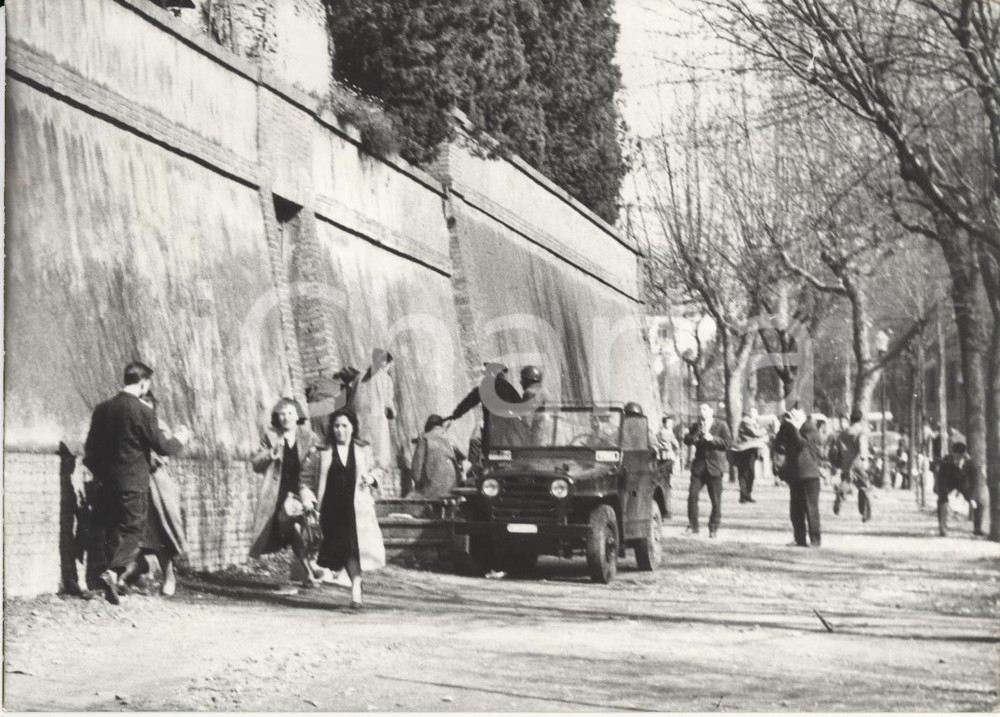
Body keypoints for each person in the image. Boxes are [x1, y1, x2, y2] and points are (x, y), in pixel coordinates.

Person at [83, 361, 189, 605]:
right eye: (148, 384)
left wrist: (103, 475)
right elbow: (163, 447)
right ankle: (113, 572)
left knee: (112, 530)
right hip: (134, 484)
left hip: (106, 483)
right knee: (134, 530)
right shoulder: (143, 410)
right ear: (143, 382)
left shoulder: (102, 409)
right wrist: (181, 438)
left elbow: (90, 452)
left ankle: (116, 582)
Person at [312, 407, 386, 608]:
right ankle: (351, 582)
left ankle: (356, 591)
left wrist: (371, 478)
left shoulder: (363, 449)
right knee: (341, 549)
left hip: (356, 508)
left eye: (344, 425)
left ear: (353, 427)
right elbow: (315, 479)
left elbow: (379, 469)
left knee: (354, 548)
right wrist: (314, 507)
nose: (340, 430)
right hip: (331, 507)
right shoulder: (324, 451)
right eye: (336, 426)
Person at [249, 398, 325, 587]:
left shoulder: (309, 438)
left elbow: (317, 464)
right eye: (282, 413)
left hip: (304, 490)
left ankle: (309, 568)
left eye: (290, 413)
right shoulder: (271, 437)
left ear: (297, 415)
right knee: (290, 527)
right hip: (278, 494)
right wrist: (271, 453)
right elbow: (256, 464)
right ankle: (309, 569)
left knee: (307, 531)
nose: (286, 417)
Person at [774, 408, 822, 547]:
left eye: (794, 413)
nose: (791, 416)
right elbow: (779, 445)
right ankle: (799, 538)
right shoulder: (789, 428)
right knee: (795, 509)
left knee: (810, 508)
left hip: (809, 474)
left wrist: (794, 427)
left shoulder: (810, 428)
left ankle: (815, 539)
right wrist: (782, 428)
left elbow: (801, 443)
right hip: (795, 474)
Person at [683, 403, 731, 538]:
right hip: (699, 467)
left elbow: (728, 443)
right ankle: (693, 526)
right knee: (692, 496)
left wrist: (713, 439)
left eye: (704, 409)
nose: (701, 412)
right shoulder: (696, 426)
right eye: (700, 409)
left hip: (715, 467)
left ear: (711, 411)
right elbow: (687, 440)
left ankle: (714, 527)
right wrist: (696, 436)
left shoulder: (721, 425)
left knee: (715, 500)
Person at [410, 415, 466, 499]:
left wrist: (417, 483)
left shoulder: (424, 438)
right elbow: (462, 457)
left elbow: (417, 467)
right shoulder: (449, 438)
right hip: (453, 484)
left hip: (433, 486)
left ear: (428, 425)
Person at [833, 409, 871, 522]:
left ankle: (840, 494)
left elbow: (837, 447)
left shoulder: (843, 432)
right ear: (860, 419)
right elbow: (862, 446)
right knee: (863, 487)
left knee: (846, 481)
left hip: (846, 462)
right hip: (858, 462)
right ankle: (864, 512)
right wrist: (864, 459)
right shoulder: (861, 431)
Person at [934, 442, 978, 537]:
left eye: (959, 457)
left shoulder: (971, 463)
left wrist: (972, 498)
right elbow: (942, 479)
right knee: (942, 501)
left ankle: (977, 528)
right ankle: (942, 527)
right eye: (955, 456)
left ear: (964, 455)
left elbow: (974, 481)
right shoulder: (947, 460)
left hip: (963, 482)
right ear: (952, 453)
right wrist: (944, 493)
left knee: (976, 502)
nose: (957, 459)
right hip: (949, 482)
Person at [732, 407, 767, 503]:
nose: (754, 413)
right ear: (749, 413)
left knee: (750, 473)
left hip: (751, 449)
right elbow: (755, 433)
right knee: (744, 472)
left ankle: (747, 494)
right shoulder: (746, 421)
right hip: (744, 450)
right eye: (752, 411)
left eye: (755, 412)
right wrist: (764, 431)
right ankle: (743, 495)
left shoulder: (754, 421)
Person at [655, 415, 679, 518]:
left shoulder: (658, 433)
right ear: (664, 424)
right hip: (669, 458)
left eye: (671, 423)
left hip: (661, 458)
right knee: (668, 484)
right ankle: (667, 510)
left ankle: (665, 509)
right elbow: (676, 445)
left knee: (664, 483)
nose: (671, 425)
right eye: (669, 423)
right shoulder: (668, 434)